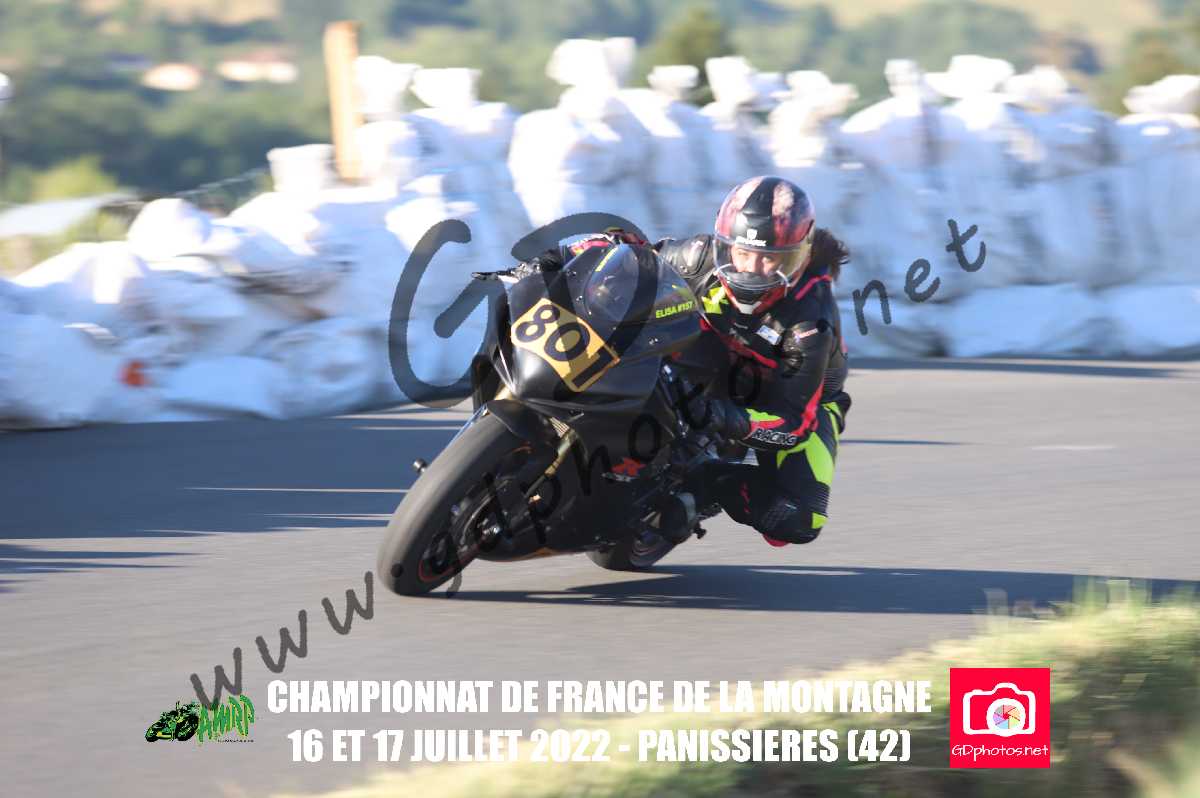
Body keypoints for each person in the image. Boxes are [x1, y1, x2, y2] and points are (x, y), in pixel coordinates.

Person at [511, 175, 852, 548]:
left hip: (784, 396)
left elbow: (794, 424)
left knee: (796, 520)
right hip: (709, 350)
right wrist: (561, 259)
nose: (750, 269)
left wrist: (727, 418)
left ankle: (708, 482)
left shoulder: (810, 325)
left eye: (768, 258)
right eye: (742, 253)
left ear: (797, 258)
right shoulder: (698, 256)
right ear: (724, 245)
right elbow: (628, 253)